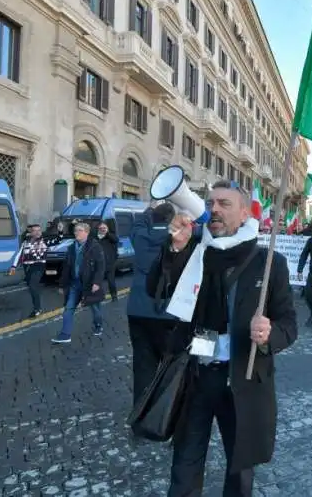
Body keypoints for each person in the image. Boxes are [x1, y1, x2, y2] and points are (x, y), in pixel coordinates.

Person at [147, 180, 297, 497]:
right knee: (184, 464)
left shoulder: (269, 263)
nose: (214, 208)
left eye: (224, 204)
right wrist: (174, 249)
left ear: (244, 214)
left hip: (241, 379)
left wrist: (270, 334)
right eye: (211, 202)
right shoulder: (192, 252)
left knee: (240, 468)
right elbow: (156, 292)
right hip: (195, 377)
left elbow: (289, 325)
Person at [126, 203, 191, 408]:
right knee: (170, 365)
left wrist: (148, 211)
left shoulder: (140, 236)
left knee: (143, 365)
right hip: (169, 312)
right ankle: (164, 412)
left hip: (138, 310)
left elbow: (137, 226)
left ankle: (140, 411)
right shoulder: (179, 238)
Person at [51, 223, 106, 343]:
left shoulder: (95, 246)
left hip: (89, 283)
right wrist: (61, 284)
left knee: (95, 309)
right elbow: (66, 267)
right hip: (74, 284)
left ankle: (98, 325)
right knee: (69, 308)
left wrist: (96, 282)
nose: (77, 233)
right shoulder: (71, 248)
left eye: (80, 230)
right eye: (75, 230)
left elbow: (100, 266)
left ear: (86, 232)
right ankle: (65, 334)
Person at [9, 224, 62, 317]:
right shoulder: (26, 242)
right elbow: (19, 254)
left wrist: (60, 231)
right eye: (35, 230)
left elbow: (58, 240)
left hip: (39, 265)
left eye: (39, 230)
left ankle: (37, 309)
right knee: (31, 287)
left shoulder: (45, 241)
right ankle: (37, 304)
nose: (37, 232)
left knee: (33, 286)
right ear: (31, 232)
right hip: (27, 267)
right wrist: (13, 266)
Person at [94, 222, 120, 301]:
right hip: (98, 264)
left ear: (107, 229)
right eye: (101, 228)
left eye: (104, 228)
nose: (102, 230)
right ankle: (97, 297)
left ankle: (114, 296)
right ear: (98, 229)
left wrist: (107, 233)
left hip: (109, 263)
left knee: (111, 281)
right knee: (97, 281)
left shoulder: (110, 237)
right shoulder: (95, 238)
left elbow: (116, 240)